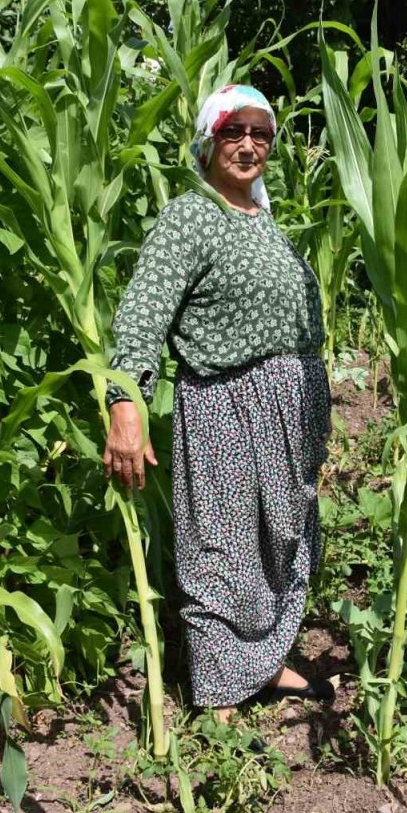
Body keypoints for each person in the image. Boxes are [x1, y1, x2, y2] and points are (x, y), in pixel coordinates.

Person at [102, 84, 335, 723]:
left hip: (291, 410)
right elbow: (144, 311)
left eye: (261, 133)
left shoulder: (268, 224)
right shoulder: (193, 216)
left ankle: (262, 663)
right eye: (234, 131)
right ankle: (220, 692)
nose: (249, 144)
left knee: (282, 540)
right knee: (224, 546)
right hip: (226, 406)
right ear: (208, 141)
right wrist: (128, 402)